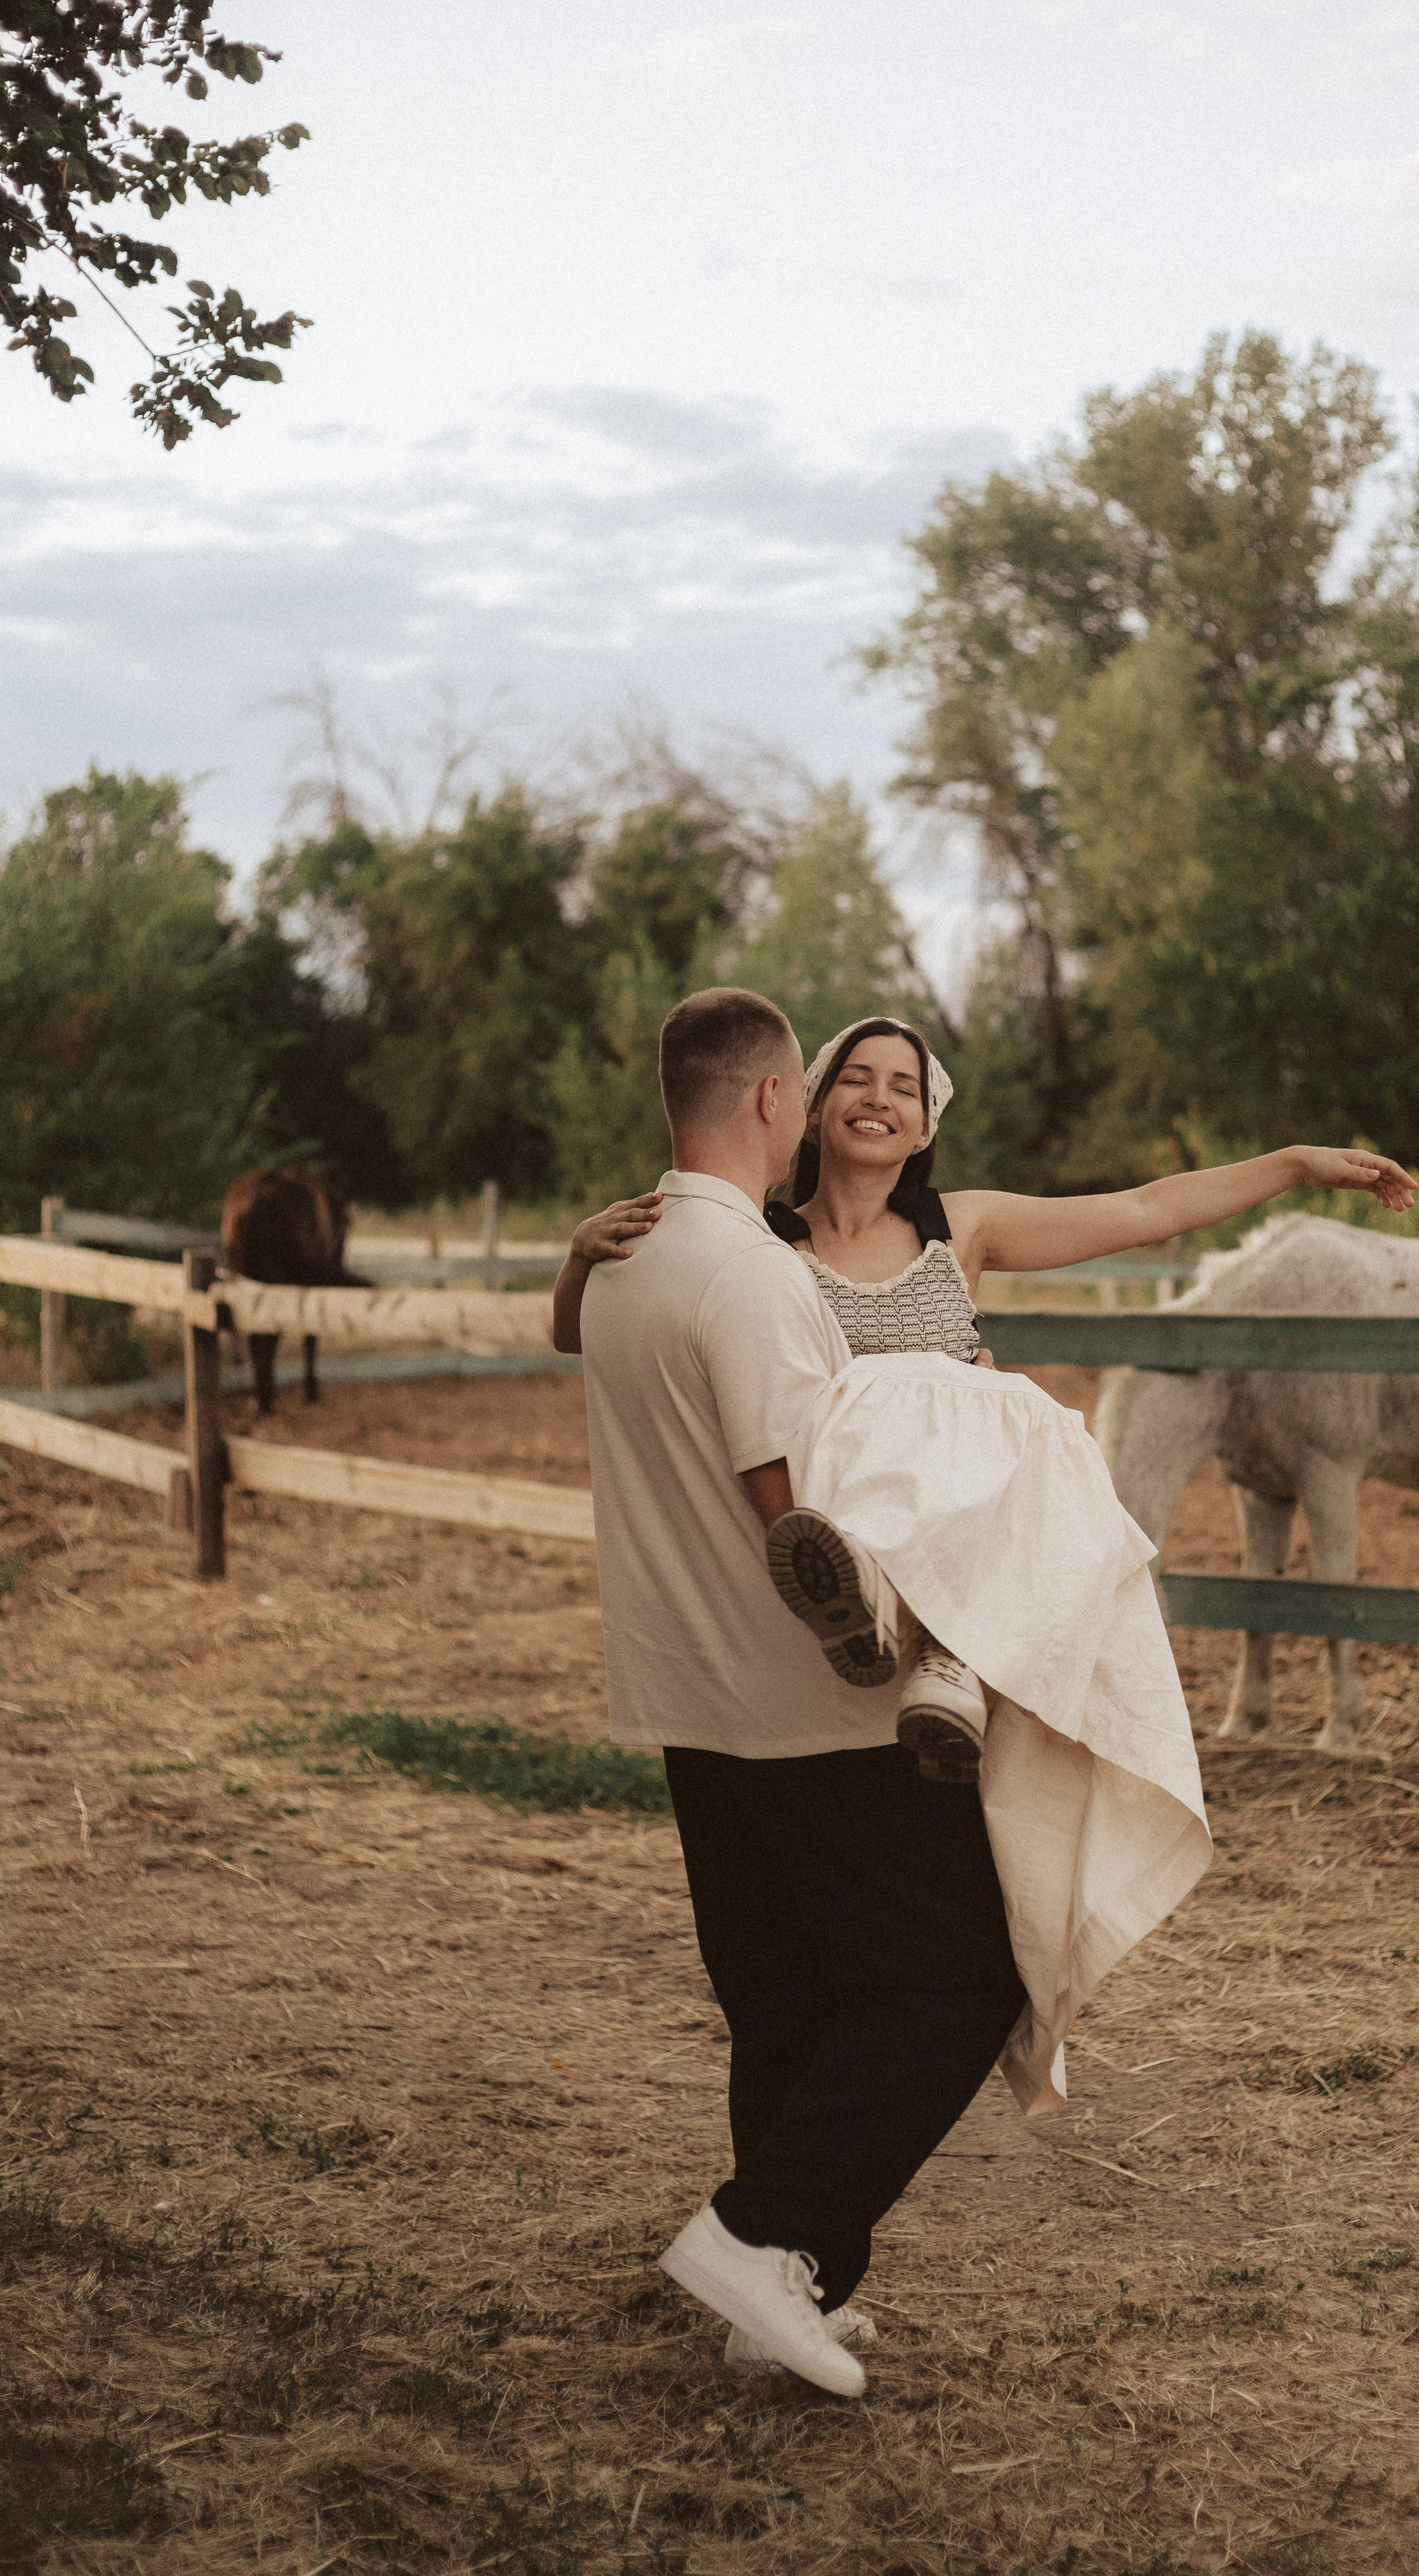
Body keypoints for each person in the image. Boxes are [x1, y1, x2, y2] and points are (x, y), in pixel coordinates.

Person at [559, 987, 1030, 2403]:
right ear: (777, 1099)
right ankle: (759, 2235)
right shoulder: (760, 1278)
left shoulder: (625, 1257)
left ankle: (789, 2283)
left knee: (783, 1998)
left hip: (678, 1691)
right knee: (958, 1973)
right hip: (804, 1706)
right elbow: (795, 1506)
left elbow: (575, 1338)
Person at [566, 1011, 1417, 1786]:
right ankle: (864, 1608)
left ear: (927, 1124)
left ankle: (950, 1659)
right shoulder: (761, 1247)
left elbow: (1145, 1207)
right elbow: (614, 1326)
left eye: (904, 1086)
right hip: (842, 1521)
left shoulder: (961, 1229)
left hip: (953, 1535)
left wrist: (1295, 1165)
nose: (878, 1098)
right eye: (857, 1078)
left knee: (1006, 1405)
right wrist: (579, 1261)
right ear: (810, 1106)